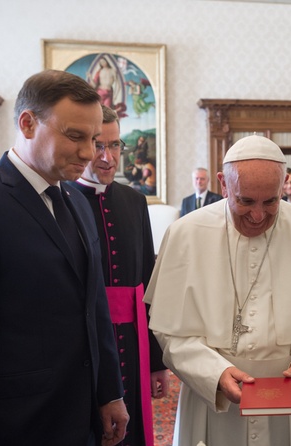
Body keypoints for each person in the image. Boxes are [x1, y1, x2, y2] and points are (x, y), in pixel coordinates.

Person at [0, 69, 129, 446]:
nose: (89, 153)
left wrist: (109, 392)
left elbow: (93, 307)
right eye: (75, 136)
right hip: (13, 427)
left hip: (80, 419)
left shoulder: (77, 204)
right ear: (28, 123)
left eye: (95, 138)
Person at [144, 134, 291, 446]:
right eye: (245, 201)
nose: (258, 215)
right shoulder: (185, 236)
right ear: (223, 184)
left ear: (284, 184)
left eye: (271, 201)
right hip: (215, 404)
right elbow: (170, 331)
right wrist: (213, 373)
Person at [70, 105, 170, 446]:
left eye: (115, 146)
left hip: (133, 338)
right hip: (84, 341)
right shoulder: (63, 199)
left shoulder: (134, 201)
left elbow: (149, 283)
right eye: (98, 145)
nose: (107, 157)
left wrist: (157, 361)